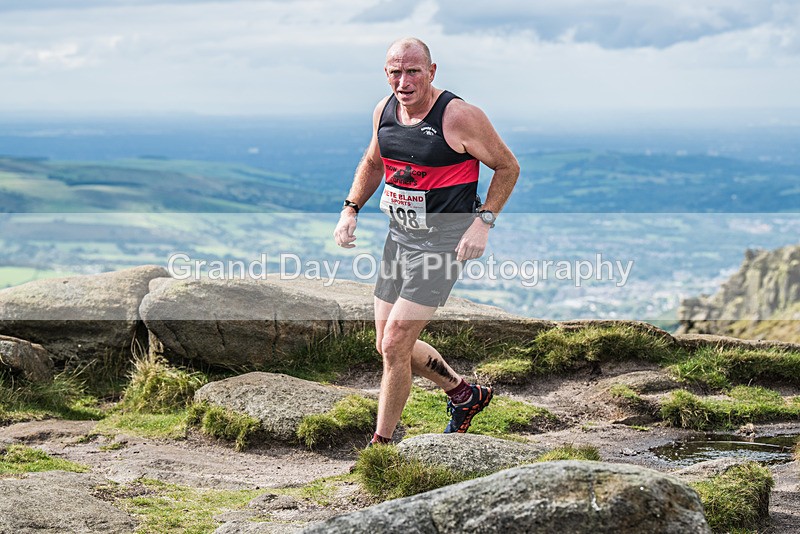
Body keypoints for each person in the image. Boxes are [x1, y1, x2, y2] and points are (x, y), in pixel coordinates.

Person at [333, 37, 520, 445]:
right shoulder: (384, 111)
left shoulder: (459, 116)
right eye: (395, 72)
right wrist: (351, 208)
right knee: (387, 345)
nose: (404, 80)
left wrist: (483, 223)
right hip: (398, 240)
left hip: (442, 245)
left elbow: (507, 167)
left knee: (397, 341)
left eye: (413, 71)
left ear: (432, 72)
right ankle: (464, 393)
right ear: (386, 74)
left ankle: (381, 445)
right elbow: (373, 162)